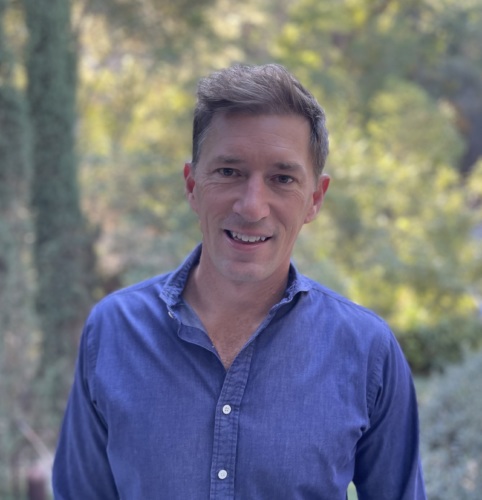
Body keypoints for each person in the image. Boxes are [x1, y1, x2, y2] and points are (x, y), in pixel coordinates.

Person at [52, 63, 426, 499]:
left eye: (282, 179)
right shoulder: (114, 330)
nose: (252, 207)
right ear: (193, 185)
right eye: (229, 172)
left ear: (315, 198)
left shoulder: (367, 351)